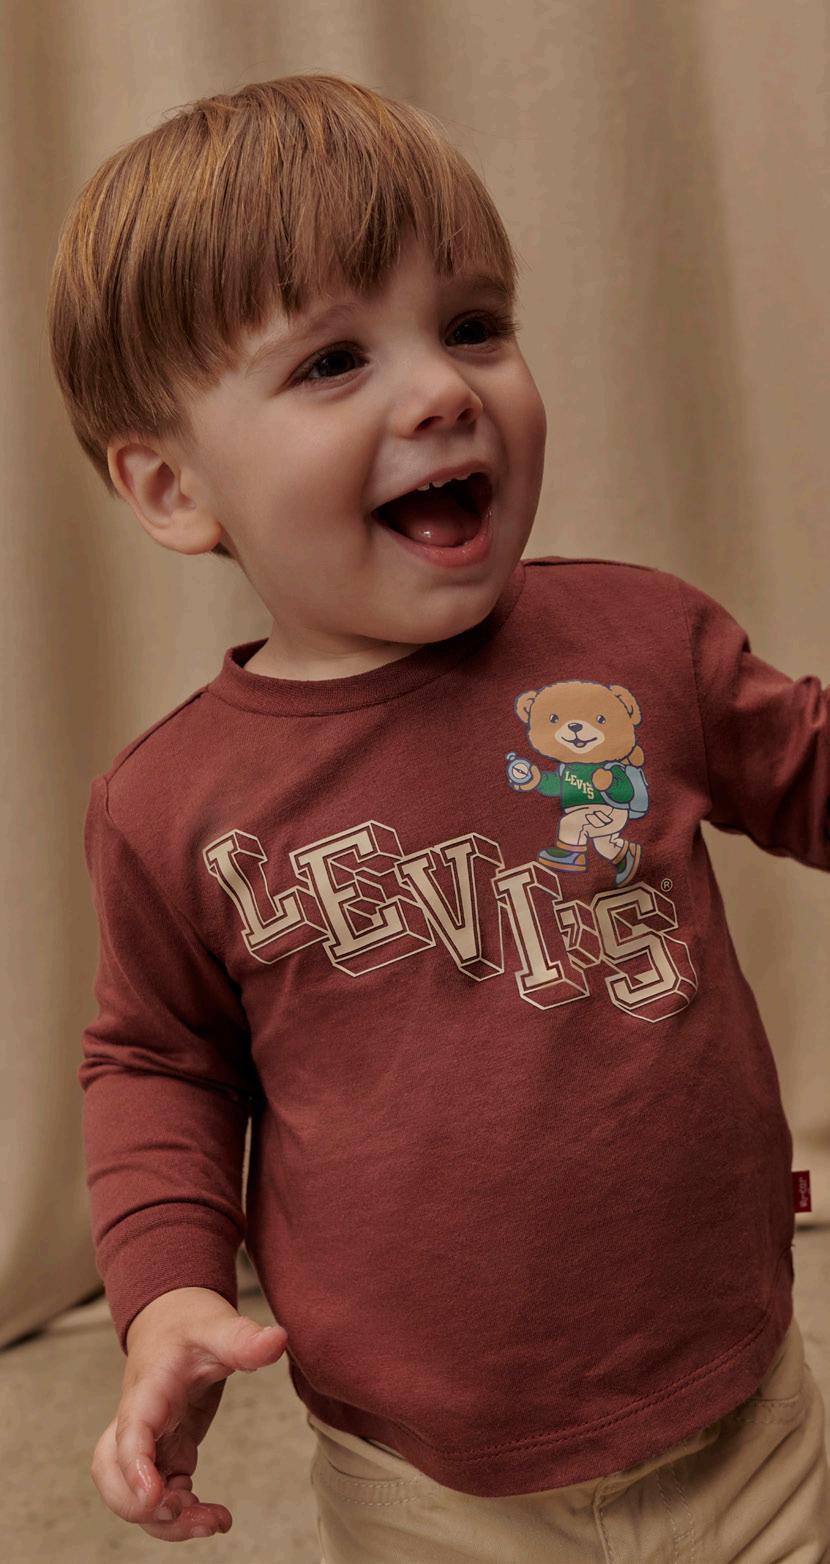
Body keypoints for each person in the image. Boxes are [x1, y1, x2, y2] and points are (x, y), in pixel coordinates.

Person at [48, 72, 830, 1561]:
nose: (443, 391)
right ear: (170, 487)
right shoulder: (171, 805)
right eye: (335, 359)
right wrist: (166, 1297)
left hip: (740, 1407)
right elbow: (155, 1061)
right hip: (427, 1480)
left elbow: (806, 766)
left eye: (474, 325)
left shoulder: (640, 642)